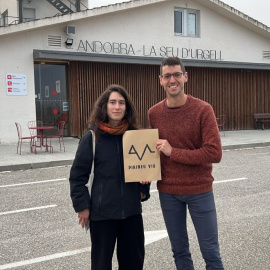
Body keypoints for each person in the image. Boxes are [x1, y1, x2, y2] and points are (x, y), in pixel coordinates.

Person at [148, 57, 224, 270]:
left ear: (185, 77)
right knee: (179, 251)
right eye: (167, 76)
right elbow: (153, 151)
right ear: (160, 80)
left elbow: (214, 153)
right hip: (168, 192)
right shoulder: (153, 113)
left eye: (177, 75)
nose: (172, 80)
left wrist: (174, 152)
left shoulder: (203, 109)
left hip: (200, 190)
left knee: (211, 252)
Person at [69, 84, 150, 270]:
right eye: (112, 102)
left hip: (131, 213)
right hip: (102, 214)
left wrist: (143, 189)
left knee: (133, 264)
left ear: (126, 108)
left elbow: (145, 169)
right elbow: (77, 176)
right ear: (104, 106)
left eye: (121, 103)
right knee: (101, 265)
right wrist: (82, 206)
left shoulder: (136, 136)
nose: (117, 107)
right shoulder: (91, 137)